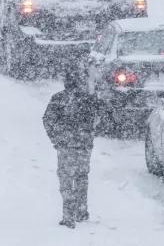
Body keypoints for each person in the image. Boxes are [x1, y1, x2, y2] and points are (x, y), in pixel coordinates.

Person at [41, 68, 101, 228]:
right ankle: (81, 211)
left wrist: (56, 138)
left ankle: (68, 215)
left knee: (66, 179)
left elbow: (47, 120)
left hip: (66, 146)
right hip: (84, 146)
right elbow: (99, 118)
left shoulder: (58, 99)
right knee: (82, 177)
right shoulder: (89, 100)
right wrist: (89, 135)